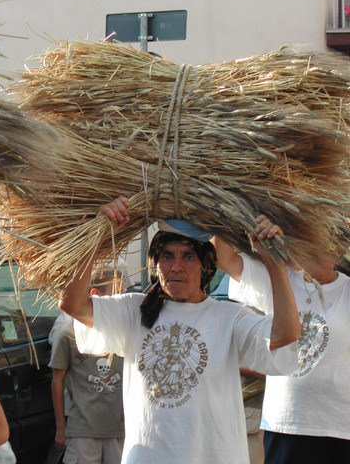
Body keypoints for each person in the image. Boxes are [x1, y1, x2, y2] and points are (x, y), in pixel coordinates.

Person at [59, 196, 301, 464]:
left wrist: (274, 265)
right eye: (167, 256)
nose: (176, 267)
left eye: (188, 256)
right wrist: (97, 234)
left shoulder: (228, 317)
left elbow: (285, 335)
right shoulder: (133, 311)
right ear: (156, 263)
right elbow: (72, 304)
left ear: (205, 265)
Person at [213, 214, 350, 464]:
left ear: (340, 248)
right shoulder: (277, 278)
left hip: (339, 425)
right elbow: (224, 257)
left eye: (332, 239)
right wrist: (240, 210)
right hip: (285, 422)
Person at [49, 265, 125, 464]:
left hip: (119, 428)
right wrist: (60, 428)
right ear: (95, 295)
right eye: (117, 295)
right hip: (82, 428)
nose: (123, 301)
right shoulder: (68, 331)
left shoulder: (127, 328)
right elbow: (57, 381)